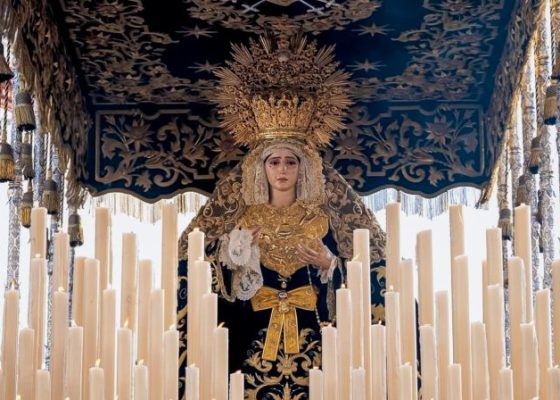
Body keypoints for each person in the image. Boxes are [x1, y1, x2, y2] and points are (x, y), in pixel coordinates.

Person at [177, 33, 386, 399]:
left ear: (304, 168)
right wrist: (233, 258)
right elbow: (198, 269)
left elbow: (369, 268)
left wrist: (331, 265)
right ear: (262, 168)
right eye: (274, 162)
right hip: (251, 341)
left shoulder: (325, 217)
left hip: (317, 340)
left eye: (291, 162)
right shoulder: (242, 220)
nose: (283, 170)